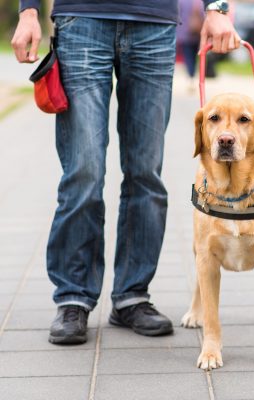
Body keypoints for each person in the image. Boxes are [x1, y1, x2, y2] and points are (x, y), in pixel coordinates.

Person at [12, 0, 240, 344]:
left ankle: (132, 296)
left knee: (145, 172)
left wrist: (217, 8)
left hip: (154, 23)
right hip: (82, 20)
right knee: (83, 171)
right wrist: (28, 10)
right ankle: (73, 296)